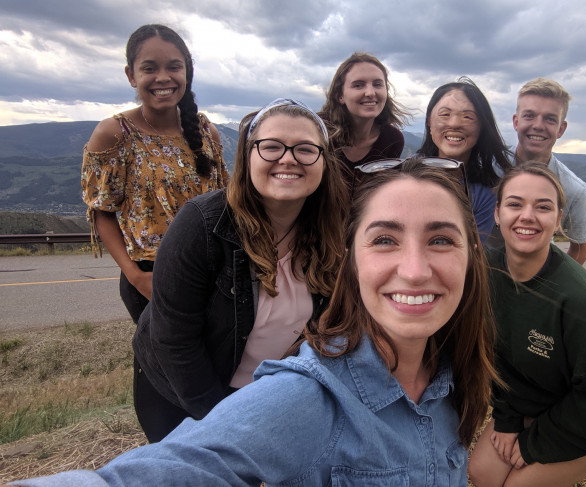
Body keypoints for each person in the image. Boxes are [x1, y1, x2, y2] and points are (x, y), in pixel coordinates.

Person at [7, 158, 500, 486]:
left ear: (470, 256)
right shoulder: (309, 396)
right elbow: (175, 467)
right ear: (351, 261)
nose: (414, 268)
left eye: (440, 239)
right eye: (385, 240)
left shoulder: (453, 375)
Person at [131, 98, 348, 442]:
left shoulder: (333, 233)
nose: (288, 158)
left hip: (269, 395)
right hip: (186, 396)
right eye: (271, 146)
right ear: (248, 157)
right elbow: (174, 340)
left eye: (306, 149)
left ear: (324, 163)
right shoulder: (202, 224)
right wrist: (225, 424)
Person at [468, 162, 586, 487]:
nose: (527, 216)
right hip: (541, 393)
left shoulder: (584, 302)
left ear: (558, 220)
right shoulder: (487, 274)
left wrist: (533, 444)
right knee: (481, 473)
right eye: (515, 204)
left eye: (542, 207)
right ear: (497, 213)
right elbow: (495, 356)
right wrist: (508, 418)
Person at [81, 24, 228, 324]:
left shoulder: (204, 131)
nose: (163, 77)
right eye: (150, 68)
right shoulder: (115, 134)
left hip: (213, 270)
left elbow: (224, 200)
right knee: (162, 367)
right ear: (131, 75)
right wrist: (135, 277)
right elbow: (101, 211)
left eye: (174, 67)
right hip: (151, 274)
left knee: (216, 365)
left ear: (186, 72)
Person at [495, 77, 586, 264]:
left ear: (561, 129)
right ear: (516, 122)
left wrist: (553, 284)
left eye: (549, 119)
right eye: (529, 115)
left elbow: (580, 246)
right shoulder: (487, 167)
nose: (538, 125)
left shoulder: (574, 191)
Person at [417, 76, 512, 242]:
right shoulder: (404, 174)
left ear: (481, 127)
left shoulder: (485, 193)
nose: (454, 124)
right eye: (445, 114)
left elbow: (472, 253)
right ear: (429, 122)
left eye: (467, 117)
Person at [320, 52, 410, 192]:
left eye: (377, 84)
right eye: (358, 85)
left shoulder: (392, 140)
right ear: (340, 96)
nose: (370, 92)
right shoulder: (317, 130)